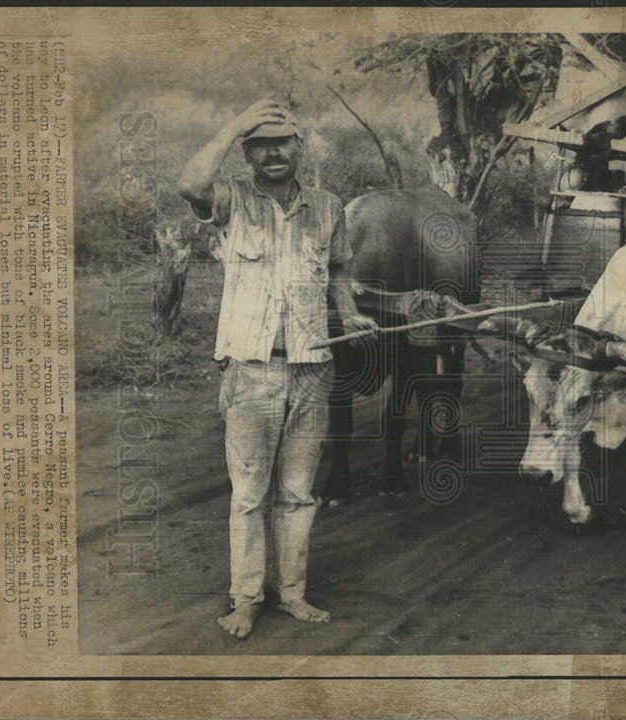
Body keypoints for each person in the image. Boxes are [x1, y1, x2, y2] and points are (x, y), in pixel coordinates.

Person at [178, 100, 377, 639]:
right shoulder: (231, 200)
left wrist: (350, 311)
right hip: (250, 370)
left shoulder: (329, 206)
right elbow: (191, 184)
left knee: (297, 494)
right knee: (248, 495)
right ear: (246, 151)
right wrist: (233, 122)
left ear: (299, 148)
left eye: (282, 141)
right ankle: (245, 598)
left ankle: (291, 593)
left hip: (313, 370)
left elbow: (338, 266)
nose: (272, 151)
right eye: (259, 143)